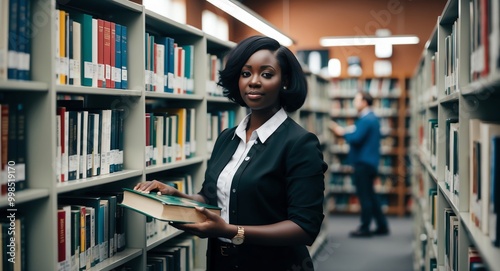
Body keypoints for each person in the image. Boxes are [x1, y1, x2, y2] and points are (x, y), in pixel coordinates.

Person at [134, 35, 327, 271]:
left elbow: (305, 228)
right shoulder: (227, 138)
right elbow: (211, 199)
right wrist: (177, 196)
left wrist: (231, 231)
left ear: (284, 81)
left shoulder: (300, 144)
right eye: (246, 73)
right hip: (221, 262)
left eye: (266, 74)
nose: (253, 82)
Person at [329, 91, 389, 237]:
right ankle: (382, 225)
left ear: (364, 102)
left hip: (364, 163)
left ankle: (365, 227)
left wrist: (341, 132)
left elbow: (356, 138)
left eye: (356, 100)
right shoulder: (372, 118)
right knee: (371, 195)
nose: (354, 103)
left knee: (364, 196)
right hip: (370, 162)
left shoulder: (366, 119)